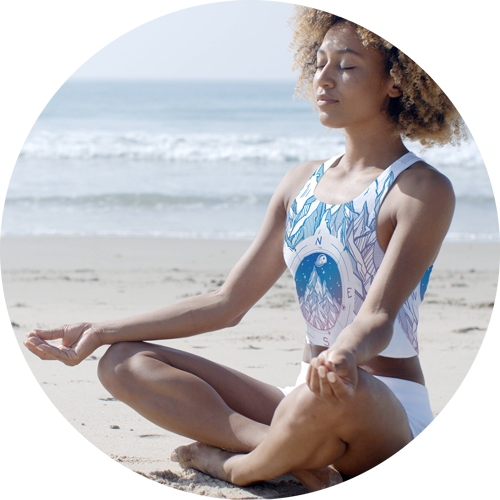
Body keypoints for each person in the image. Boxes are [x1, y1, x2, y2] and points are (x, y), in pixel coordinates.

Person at [24, 7, 467, 494]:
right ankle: (282, 447)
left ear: (396, 82)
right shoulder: (300, 184)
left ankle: (238, 464)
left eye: (346, 65)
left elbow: (378, 316)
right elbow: (227, 302)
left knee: (329, 399)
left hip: (382, 407)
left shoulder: (420, 190)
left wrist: (342, 355)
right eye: (317, 62)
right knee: (121, 362)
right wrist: (101, 329)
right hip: (297, 401)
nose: (323, 78)